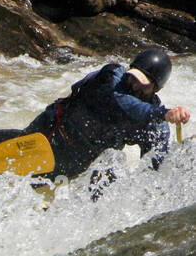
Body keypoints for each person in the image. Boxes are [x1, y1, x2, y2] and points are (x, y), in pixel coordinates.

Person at [24, 47, 190, 181]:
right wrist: (164, 113)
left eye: (142, 85)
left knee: (111, 169)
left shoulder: (154, 125)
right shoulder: (111, 76)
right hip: (51, 134)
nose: (134, 86)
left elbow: (155, 171)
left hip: (80, 165)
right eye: (133, 78)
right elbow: (122, 102)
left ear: (157, 89)